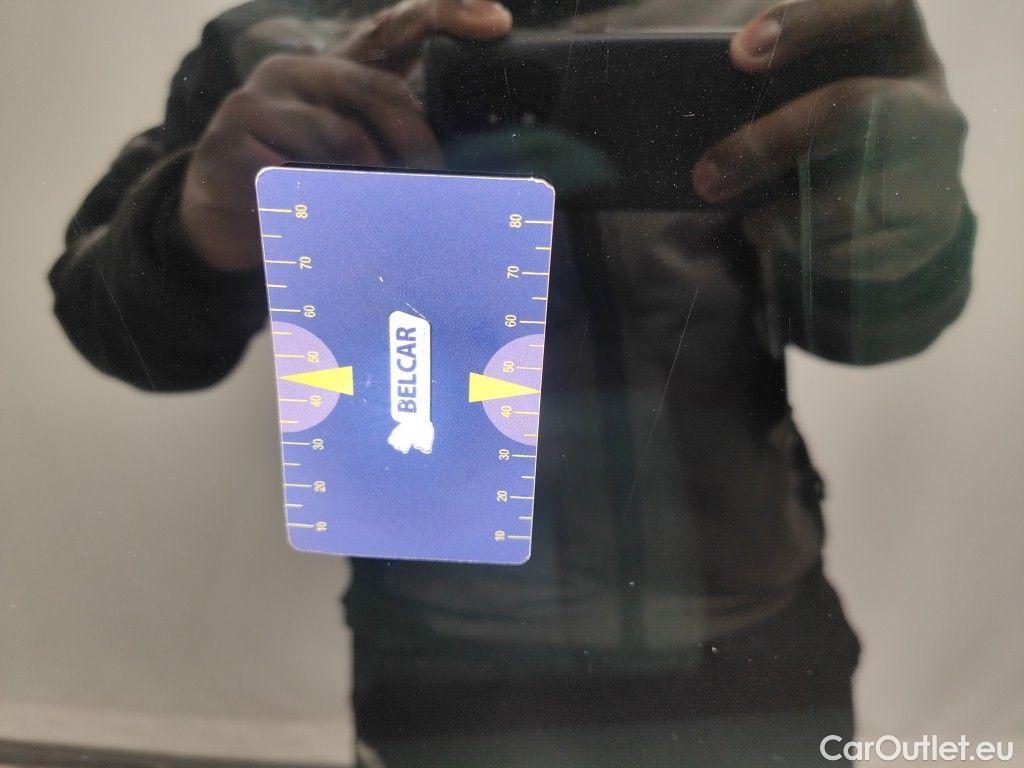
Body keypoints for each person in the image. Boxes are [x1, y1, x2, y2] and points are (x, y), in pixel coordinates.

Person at [49, 1, 974, 765]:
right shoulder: (271, 40)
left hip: (743, 650)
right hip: (460, 675)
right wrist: (193, 228)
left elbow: (873, 331)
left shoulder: (770, 23)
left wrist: (898, 230)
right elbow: (108, 321)